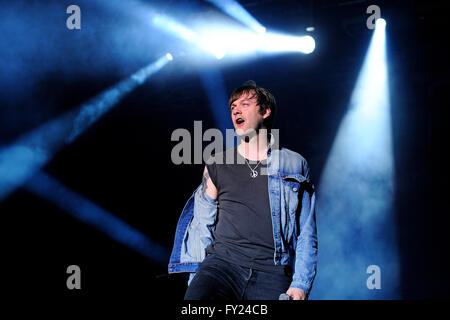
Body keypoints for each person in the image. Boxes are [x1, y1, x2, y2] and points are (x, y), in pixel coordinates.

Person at [168, 81, 317, 300]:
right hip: (221, 267)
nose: (236, 110)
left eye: (245, 104)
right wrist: (197, 278)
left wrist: (301, 284)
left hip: (272, 272)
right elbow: (202, 225)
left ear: (265, 112)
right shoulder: (217, 164)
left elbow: (306, 231)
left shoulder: (294, 163)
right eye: (233, 107)